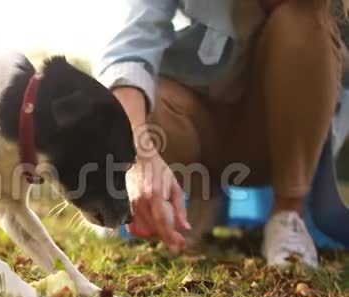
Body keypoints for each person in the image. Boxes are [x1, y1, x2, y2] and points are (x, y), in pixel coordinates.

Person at [95, 0, 346, 267]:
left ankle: (288, 216)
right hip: (190, 122)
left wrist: (325, 54)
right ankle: (198, 195)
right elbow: (129, 50)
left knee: (304, 17)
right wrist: (140, 156)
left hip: (273, 146)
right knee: (139, 106)